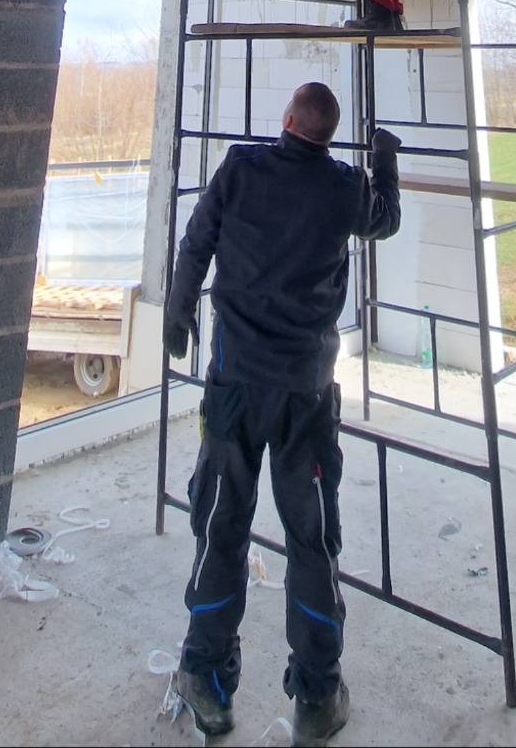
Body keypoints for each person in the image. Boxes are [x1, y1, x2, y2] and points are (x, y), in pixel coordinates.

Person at [164, 82, 402, 746]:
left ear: (286, 120)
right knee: (310, 542)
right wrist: (383, 157)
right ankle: (318, 696)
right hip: (305, 397)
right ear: (326, 134)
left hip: (234, 386)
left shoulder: (239, 170)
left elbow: (195, 241)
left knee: (221, 526)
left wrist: (181, 309)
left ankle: (204, 674)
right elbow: (384, 217)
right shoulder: (341, 188)